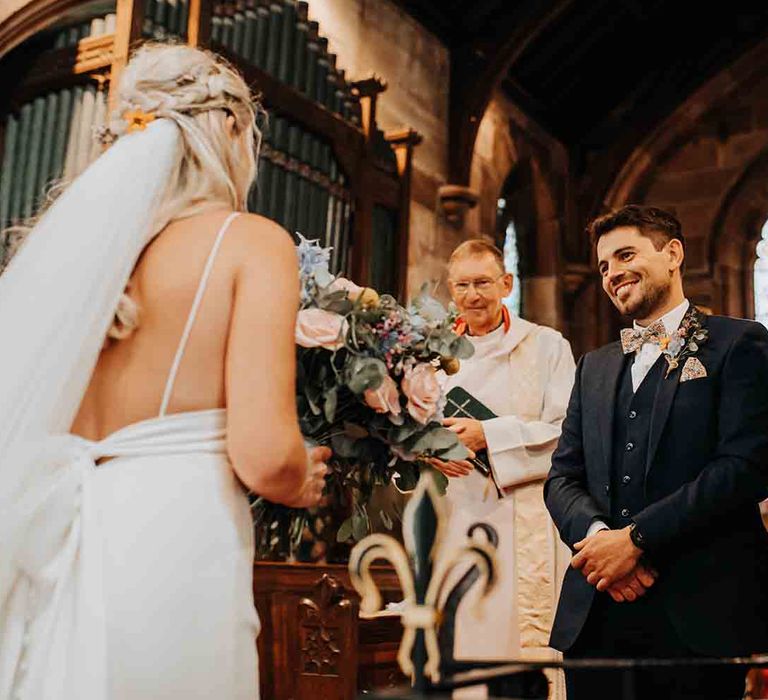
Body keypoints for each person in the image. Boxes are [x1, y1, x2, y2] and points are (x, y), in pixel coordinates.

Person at [0, 44, 329, 699]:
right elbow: (263, 455)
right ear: (229, 131)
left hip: (50, 539)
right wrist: (302, 476)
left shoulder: (68, 259)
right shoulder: (248, 241)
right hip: (172, 539)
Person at [545, 205, 768, 699]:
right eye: (603, 265)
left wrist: (638, 540)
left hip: (698, 612)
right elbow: (562, 478)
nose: (613, 273)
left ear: (673, 254)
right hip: (598, 611)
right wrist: (603, 542)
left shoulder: (739, 344)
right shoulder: (594, 367)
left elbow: (746, 468)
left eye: (626, 254)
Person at [431, 239, 575, 699]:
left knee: (522, 641)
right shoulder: (429, 358)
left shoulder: (547, 345)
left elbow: (568, 434)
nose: (474, 295)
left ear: (506, 284)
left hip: (525, 518)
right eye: (463, 285)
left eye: (483, 283)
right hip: (456, 516)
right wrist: (424, 451)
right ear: (450, 291)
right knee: (465, 636)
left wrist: (488, 436)